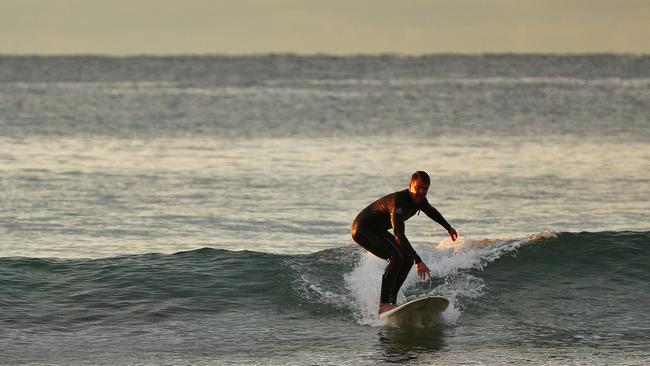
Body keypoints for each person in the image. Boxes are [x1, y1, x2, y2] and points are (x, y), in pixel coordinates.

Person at [351, 171, 458, 315]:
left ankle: (391, 302)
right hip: (362, 229)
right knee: (397, 257)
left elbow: (431, 211)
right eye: (418, 188)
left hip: (377, 230)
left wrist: (448, 227)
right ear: (410, 186)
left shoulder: (420, 200)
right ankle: (383, 304)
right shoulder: (398, 203)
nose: (421, 192)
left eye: (425, 189)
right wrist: (419, 261)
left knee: (407, 259)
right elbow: (399, 235)